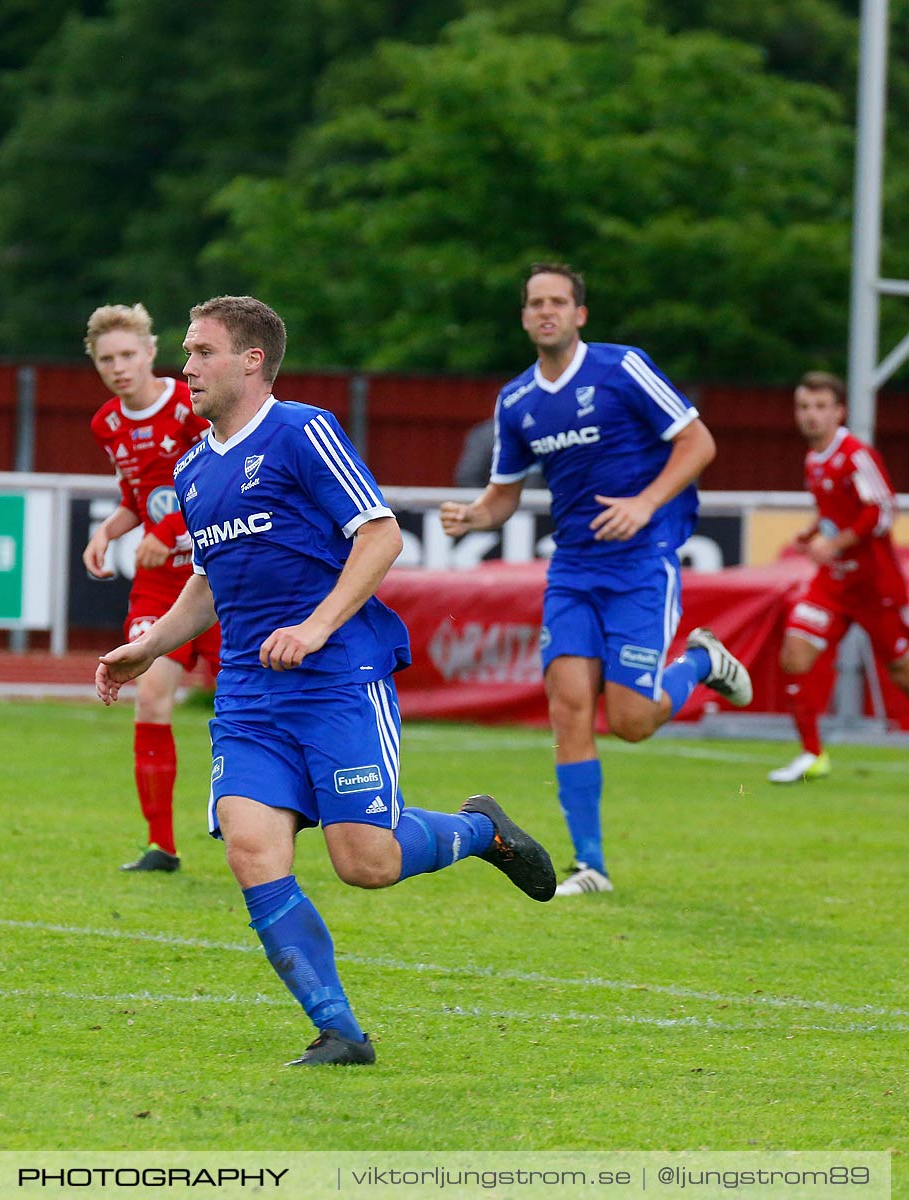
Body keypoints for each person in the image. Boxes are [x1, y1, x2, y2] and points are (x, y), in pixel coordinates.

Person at [97, 295, 556, 1067]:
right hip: (247, 693)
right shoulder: (192, 466)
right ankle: (339, 1029)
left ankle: (483, 831)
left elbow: (380, 536)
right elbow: (208, 583)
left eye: (202, 352)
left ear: (251, 360)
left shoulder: (303, 431)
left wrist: (317, 626)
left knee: (365, 864)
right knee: (250, 850)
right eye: (187, 352)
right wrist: (149, 648)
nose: (187, 367)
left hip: (337, 679)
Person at [440, 262, 753, 897]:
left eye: (558, 301)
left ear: (580, 314)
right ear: (525, 316)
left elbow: (698, 443)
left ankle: (699, 661)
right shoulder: (517, 401)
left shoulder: (623, 368)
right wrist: (475, 516)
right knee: (569, 709)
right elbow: (504, 496)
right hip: (574, 569)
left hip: (642, 561)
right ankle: (592, 867)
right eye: (535, 302)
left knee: (632, 720)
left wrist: (644, 502)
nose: (546, 311)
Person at [769, 371, 909, 793]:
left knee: (904, 673)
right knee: (794, 655)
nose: (811, 416)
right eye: (804, 407)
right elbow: (835, 508)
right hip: (834, 583)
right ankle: (812, 755)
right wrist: (811, 533)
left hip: (876, 587)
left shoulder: (856, 454)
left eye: (821, 407)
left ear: (839, 412)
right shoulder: (813, 458)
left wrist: (834, 543)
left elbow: (883, 510)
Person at [81, 303, 220, 873]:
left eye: (128, 355)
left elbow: (217, 479)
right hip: (160, 584)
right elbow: (139, 496)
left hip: (217, 573)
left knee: (252, 702)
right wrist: (109, 531)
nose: (119, 367)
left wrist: (165, 530)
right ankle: (162, 846)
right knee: (152, 696)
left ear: (150, 353)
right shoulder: (106, 424)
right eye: (106, 359)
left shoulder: (188, 404)